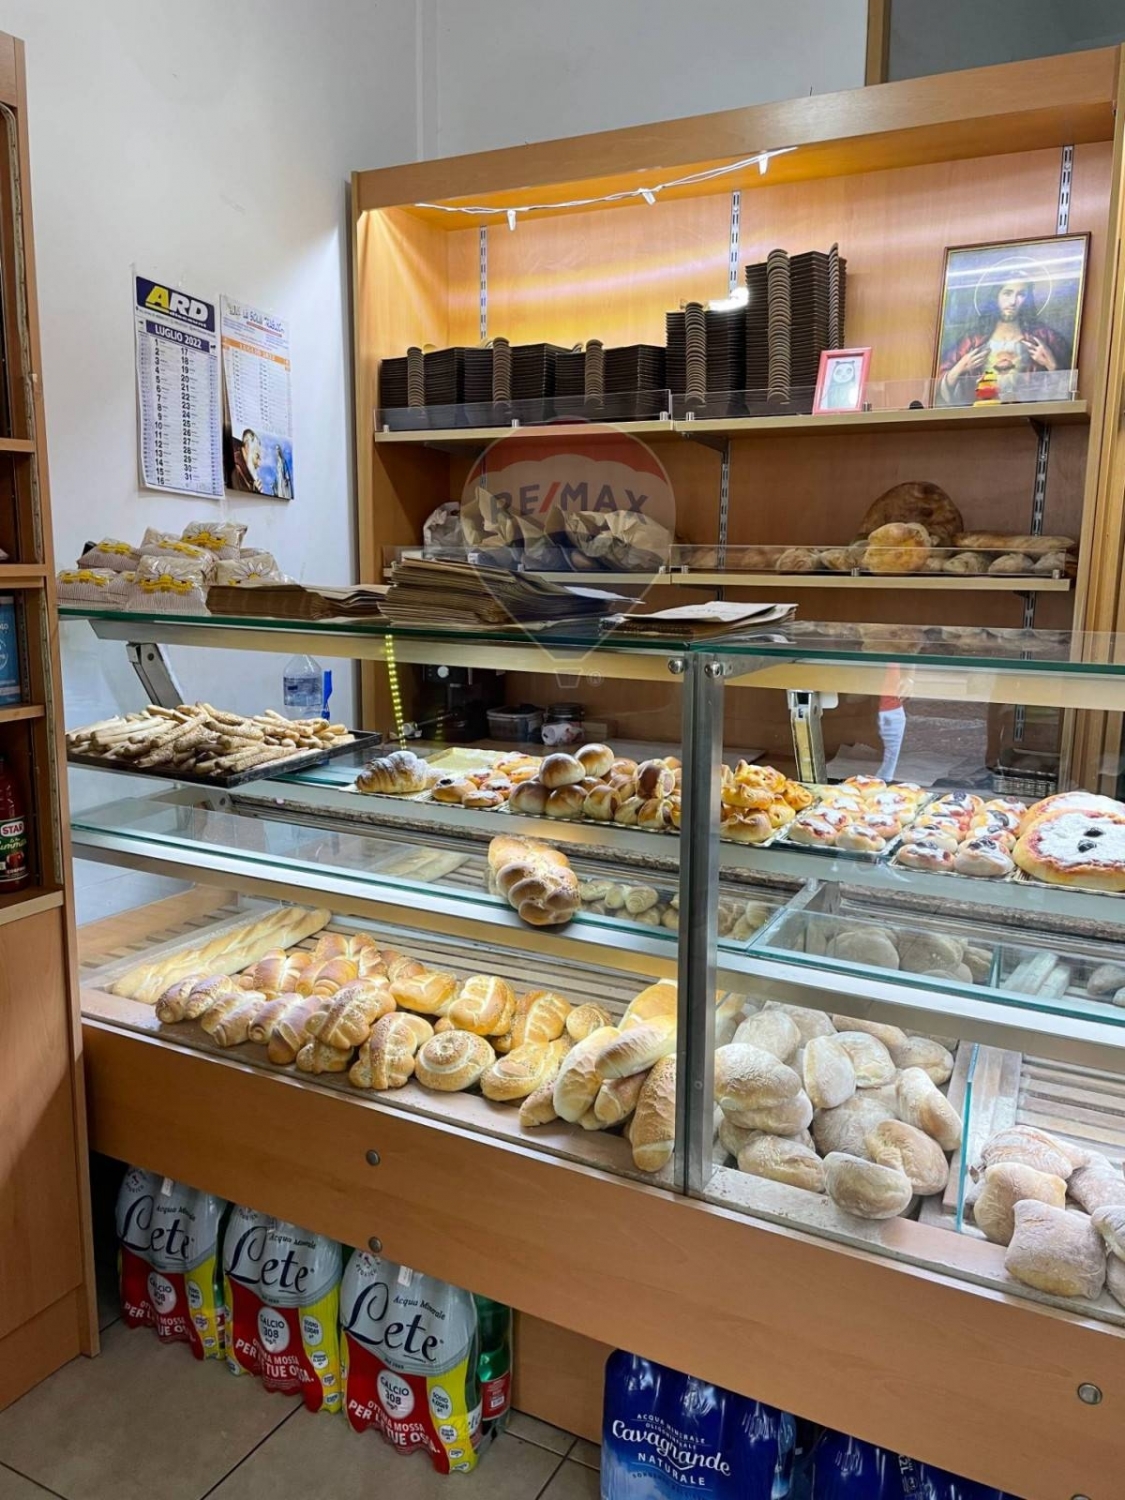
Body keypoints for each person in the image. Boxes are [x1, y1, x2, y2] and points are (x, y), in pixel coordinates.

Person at [936, 265, 1072, 406]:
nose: (1012, 302)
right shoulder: (972, 342)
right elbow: (938, 392)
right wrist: (961, 367)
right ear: (996, 296)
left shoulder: (1045, 338)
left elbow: (1068, 391)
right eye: (1007, 293)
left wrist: (1051, 365)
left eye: (1021, 295)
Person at [231, 428, 264, 492]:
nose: (259, 464)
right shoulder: (236, 467)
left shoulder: (247, 477)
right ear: (247, 447)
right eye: (257, 456)